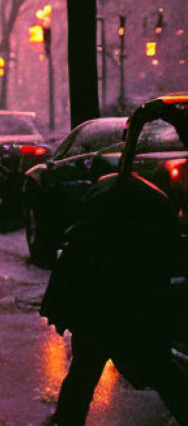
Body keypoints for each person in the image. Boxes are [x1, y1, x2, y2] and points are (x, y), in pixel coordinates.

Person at [40, 173, 188, 425]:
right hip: (131, 312)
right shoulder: (154, 213)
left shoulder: (89, 226)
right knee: (158, 370)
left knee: (84, 374)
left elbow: (68, 274)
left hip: (100, 313)